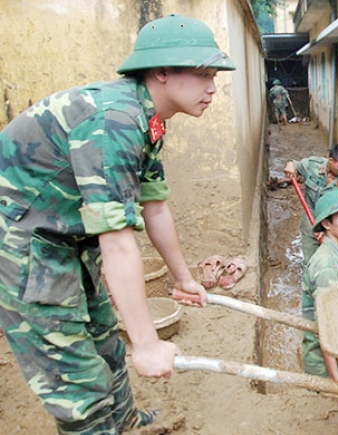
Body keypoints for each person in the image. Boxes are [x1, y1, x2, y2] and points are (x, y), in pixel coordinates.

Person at [0, 14, 232, 434]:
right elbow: (118, 242)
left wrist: (184, 278)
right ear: (161, 72)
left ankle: (125, 424)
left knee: (105, 338)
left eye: (213, 75)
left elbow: (155, 207)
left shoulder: (146, 119)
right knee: (77, 380)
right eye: (203, 74)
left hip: (64, 236)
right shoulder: (115, 122)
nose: (213, 87)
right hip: (22, 241)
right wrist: (146, 345)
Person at [300, 189, 338, 381]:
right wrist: (336, 379)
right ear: (327, 223)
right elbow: (325, 328)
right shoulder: (326, 266)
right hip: (324, 362)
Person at [283, 145, 338, 267]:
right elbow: (296, 164)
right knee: (310, 260)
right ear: (331, 160)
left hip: (332, 223)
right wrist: (290, 164)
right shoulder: (313, 165)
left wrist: (327, 230)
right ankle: (310, 283)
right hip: (311, 217)